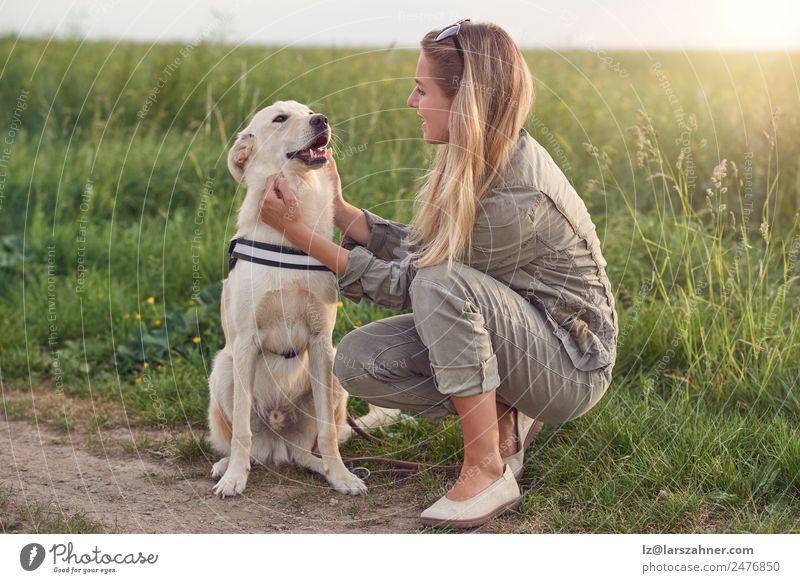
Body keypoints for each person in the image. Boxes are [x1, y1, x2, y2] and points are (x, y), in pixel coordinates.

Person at [257, 19, 618, 529]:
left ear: (463, 100)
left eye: (422, 89)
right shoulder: (476, 155)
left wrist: (302, 235)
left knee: (439, 285)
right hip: (516, 328)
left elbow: (418, 283)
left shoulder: (516, 195)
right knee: (359, 362)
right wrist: (340, 211)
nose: (411, 101)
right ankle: (505, 413)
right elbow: (430, 253)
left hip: (570, 365)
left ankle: (487, 469)